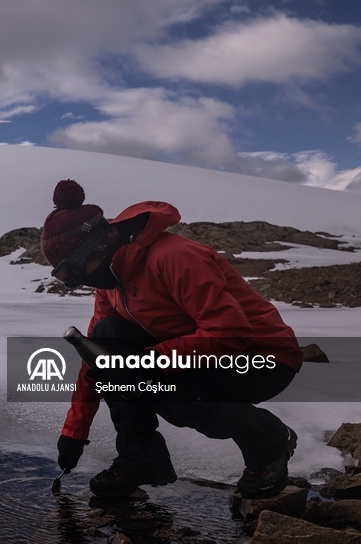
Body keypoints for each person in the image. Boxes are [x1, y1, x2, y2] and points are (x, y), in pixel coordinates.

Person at [41, 179, 304, 499]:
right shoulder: (110, 281)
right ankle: (140, 456)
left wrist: (148, 364)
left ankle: (270, 442)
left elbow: (230, 333)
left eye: (78, 271)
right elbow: (96, 357)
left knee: (169, 393)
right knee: (108, 335)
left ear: (95, 246)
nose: (81, 282)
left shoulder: (175, 257)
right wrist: (74, 431)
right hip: (197, 355)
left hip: (264, 358)